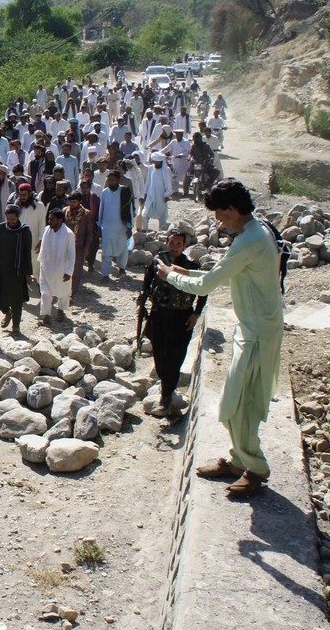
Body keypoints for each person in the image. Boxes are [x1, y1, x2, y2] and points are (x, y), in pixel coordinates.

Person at [156, 180, 282, 498]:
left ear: (231, 208)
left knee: (243, 404)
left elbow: (207, 286)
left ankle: (255, 469)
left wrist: (170, 276)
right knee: (235, 402)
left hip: (258, 334)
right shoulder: (251, 233)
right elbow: (219, 275)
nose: (217, 221)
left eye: (219, 214)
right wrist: (183, 273)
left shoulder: (249, 241)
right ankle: (240, 460)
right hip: (250, 330)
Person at [138, 228, 207, 417]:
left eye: (179, 244)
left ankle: (166, 396)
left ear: (184, 246)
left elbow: (203, 290)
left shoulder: (191, 266)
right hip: (159, 314)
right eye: (172, 243)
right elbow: (146, 286)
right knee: (160, 354)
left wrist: (196, 314)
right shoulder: (157, 263)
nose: (175, 247)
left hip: (182, 317)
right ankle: (165, 387)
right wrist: (141, 306)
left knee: (176, 356)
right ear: (167, 243)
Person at [0, 205, 33, 334]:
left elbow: (27, 252)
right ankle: (7, 312)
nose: (10, 222)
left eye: (13, 219)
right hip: (2, 268)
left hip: (17, 270)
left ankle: (16, 325)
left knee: (17, 299)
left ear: (18, 217)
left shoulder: (24, 230)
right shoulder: (1, 228)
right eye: (8, 219)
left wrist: (28, 273)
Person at [37, 209, 75, 324]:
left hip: (61, 269)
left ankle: (61, 310)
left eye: (52, 219)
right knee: (45, 291)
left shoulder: (68, 234)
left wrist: (68, 271)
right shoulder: (47, 230)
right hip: (46, 267)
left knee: (63, 291)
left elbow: (72, 254)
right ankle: (46, 315)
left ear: (60, 220)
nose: (49, 222)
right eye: (49, 219)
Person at [63, 192, 94, 295]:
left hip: (79, 246)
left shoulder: (86, 214)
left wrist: (87, 247)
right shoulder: (65, 212)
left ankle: (72, 292)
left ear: (79, 202)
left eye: (74, 202)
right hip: (65, 245)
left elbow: (89, 233)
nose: (72, 204)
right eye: (70, 201)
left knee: (76, 270)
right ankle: (64, 290)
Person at [14, 183, 45, 279]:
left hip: (34, 241)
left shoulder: (39, 206)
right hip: (19, 241)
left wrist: (41, 241)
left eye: (24, 195)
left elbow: (42, 224)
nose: (22, 197)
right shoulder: (17, 205)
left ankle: (40, 288)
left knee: (35, 267)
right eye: (20, 195)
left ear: (30, 194)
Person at [142, 152, 172, 230]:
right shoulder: (151, 168)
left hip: (161, 195)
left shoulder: (166, 170)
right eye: (155, 162)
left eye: (158, 162)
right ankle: (144, 230)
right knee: (145, 213)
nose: (156, 163)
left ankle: (161, 231)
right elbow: (148, 181)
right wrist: (145, 193)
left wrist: (167, 195)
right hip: (150, 194)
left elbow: (168, 184)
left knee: (161, 214)